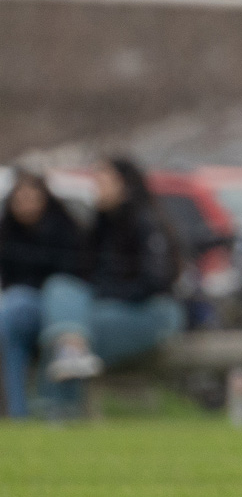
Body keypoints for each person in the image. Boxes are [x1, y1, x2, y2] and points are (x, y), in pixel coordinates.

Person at [39, 158, 185, 400]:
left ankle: (57, 412)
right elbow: (82, 274)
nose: (95, 188)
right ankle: (70, 360)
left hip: (151, 311)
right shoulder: (101, 225)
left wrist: (106, 294)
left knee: (66, 337)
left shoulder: (146, 221)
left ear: (124, 185)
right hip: (112, 308)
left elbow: (156, 281)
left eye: (102, 181)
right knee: (61, 294)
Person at [0, 171, 86, 418]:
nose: (26, 203)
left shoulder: (64, 230)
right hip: (20, 311)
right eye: (20, 197)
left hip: (60, 310)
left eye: (32, 196)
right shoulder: (7, 232)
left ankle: (52, 407)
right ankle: (17, 412)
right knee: (9, 321)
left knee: (21, 314)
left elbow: (72, 276)